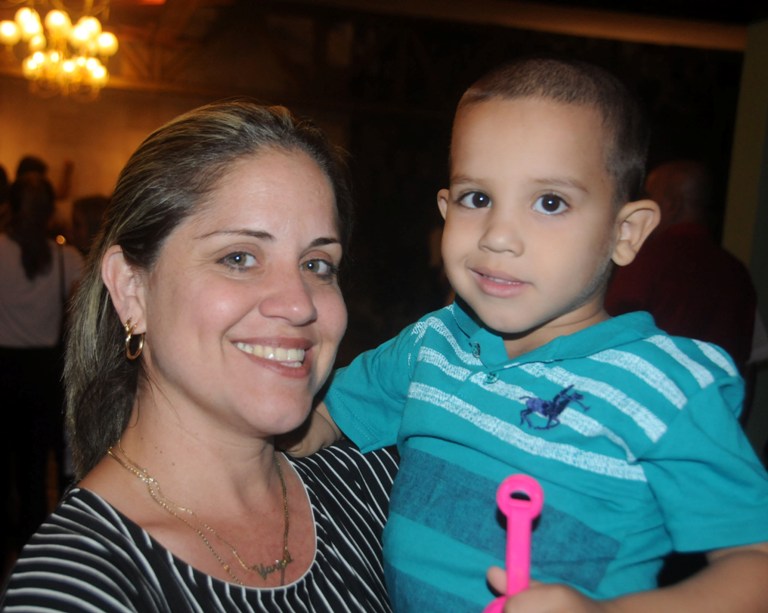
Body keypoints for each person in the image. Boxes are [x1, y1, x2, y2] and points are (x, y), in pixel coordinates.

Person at [291, 57, 768, 610]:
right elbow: (318, 419)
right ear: (445, 209)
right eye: (477, 198)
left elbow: (755, 565)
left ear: (625, 233)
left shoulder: (664, 389)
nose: (498, 236)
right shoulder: (431, 345)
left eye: (550, 202)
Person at [0, 101, 398, 611]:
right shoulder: (76, 587)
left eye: (317, 264)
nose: (300, 304)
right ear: (132, 290)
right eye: (239, 258)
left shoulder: (380, 488)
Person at [0, 172, 84, 571]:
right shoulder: (67, 259)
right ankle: (30, 558)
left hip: (2, 371)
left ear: (11, 208)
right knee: (36, 471)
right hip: (44, 377)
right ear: (51, 212)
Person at [605, 159, 757, 372]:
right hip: (716, 390)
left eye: (649, 196)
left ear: (671, 205)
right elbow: (745, 355)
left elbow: (610, 327)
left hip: (652, 385)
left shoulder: (651, 257)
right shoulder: (737, 271)